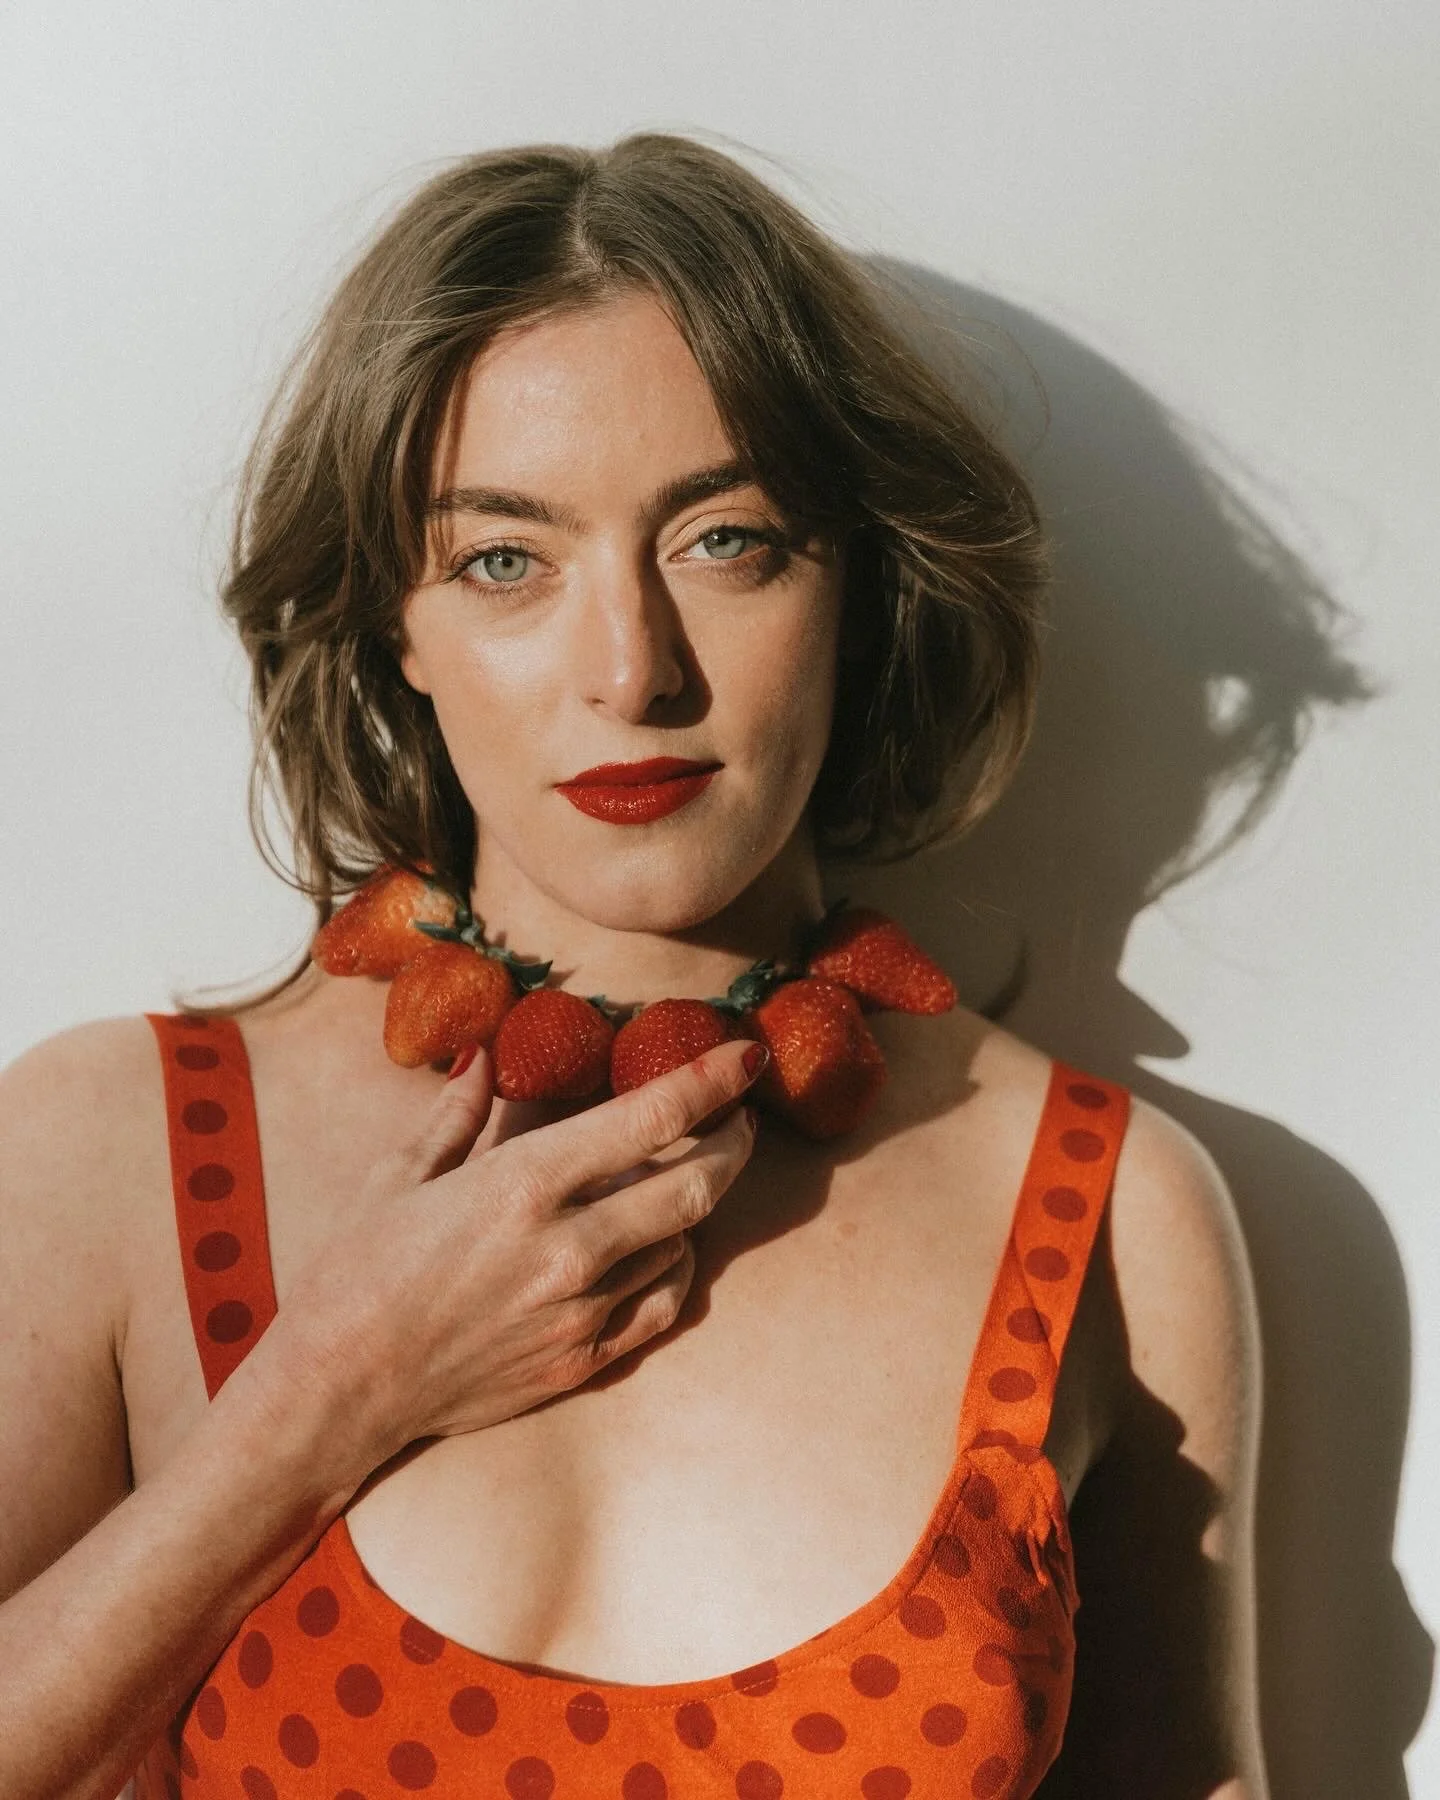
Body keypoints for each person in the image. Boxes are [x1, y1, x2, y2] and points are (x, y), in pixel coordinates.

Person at [0, 133, 1268, 1799]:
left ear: (861, 583)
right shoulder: (107, 1148)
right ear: (394, 624)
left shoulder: (1112, 1211)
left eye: (726, 540)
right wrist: (328, 1394)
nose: (631, 670)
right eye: (504, 560)